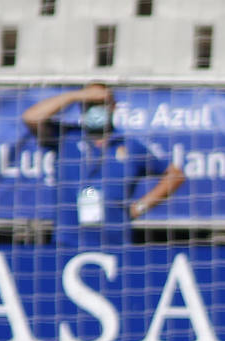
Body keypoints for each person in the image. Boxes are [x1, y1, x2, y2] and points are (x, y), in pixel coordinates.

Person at [21, 83, 185, 247]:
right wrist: (76, 95)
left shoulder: (130, 145)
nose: (95, 110)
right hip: (68, 242)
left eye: (100, 104)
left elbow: (175, 175)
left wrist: (139, 207)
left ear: (113, 107)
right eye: (90, 104)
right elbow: (31, 117)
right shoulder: (66, 137)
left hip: (116, 242)